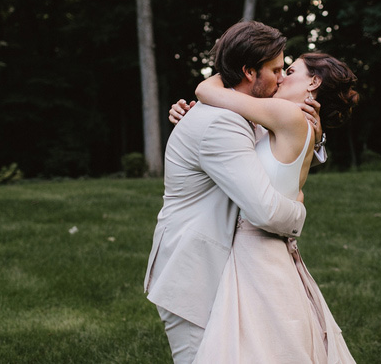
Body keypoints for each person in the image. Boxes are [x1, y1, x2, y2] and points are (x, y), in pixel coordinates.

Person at [144, 21, 324, 364]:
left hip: (227, 269)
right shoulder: (219, 124)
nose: (282, 78)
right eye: (274, 70)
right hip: (195, 274)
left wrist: (313, 137)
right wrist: (298, 208)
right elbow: (268, 212)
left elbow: (269, 162)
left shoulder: (239, 113)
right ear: (248, 72)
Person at [191, 51, 359, 363]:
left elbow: (205, 91)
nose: (280, 77)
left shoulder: (285, 115)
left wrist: (231, 56)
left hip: (256, 252)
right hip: (267, 249)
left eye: (290, 70)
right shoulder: (288, 121)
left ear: (313, 81)